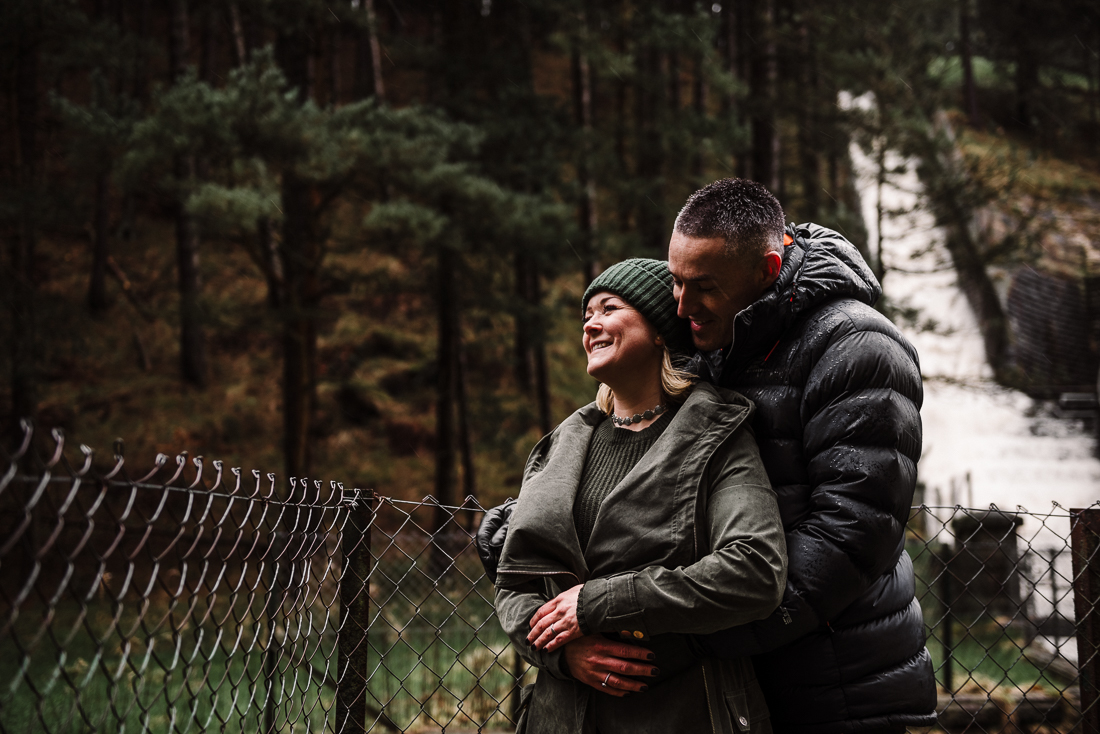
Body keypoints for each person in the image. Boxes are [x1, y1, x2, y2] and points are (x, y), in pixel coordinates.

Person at [480, 179, 937, 733]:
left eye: (703, 287)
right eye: (675, 282)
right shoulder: (713, 343)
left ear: (768, 269)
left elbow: (849, 541)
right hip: (731, 684)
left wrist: (671, 640)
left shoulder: (859, 350)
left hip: (834, 683)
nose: (681, 305)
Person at [494, 258, 787, 734]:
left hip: (683, 709)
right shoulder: (560, 445)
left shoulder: (717, 434)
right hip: (560, 715)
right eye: (586, 315)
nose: (591, 323)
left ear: (657, 331)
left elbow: (755, 570)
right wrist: (564, 654)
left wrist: (599, 603)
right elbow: (515, 584)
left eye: (609, 308)